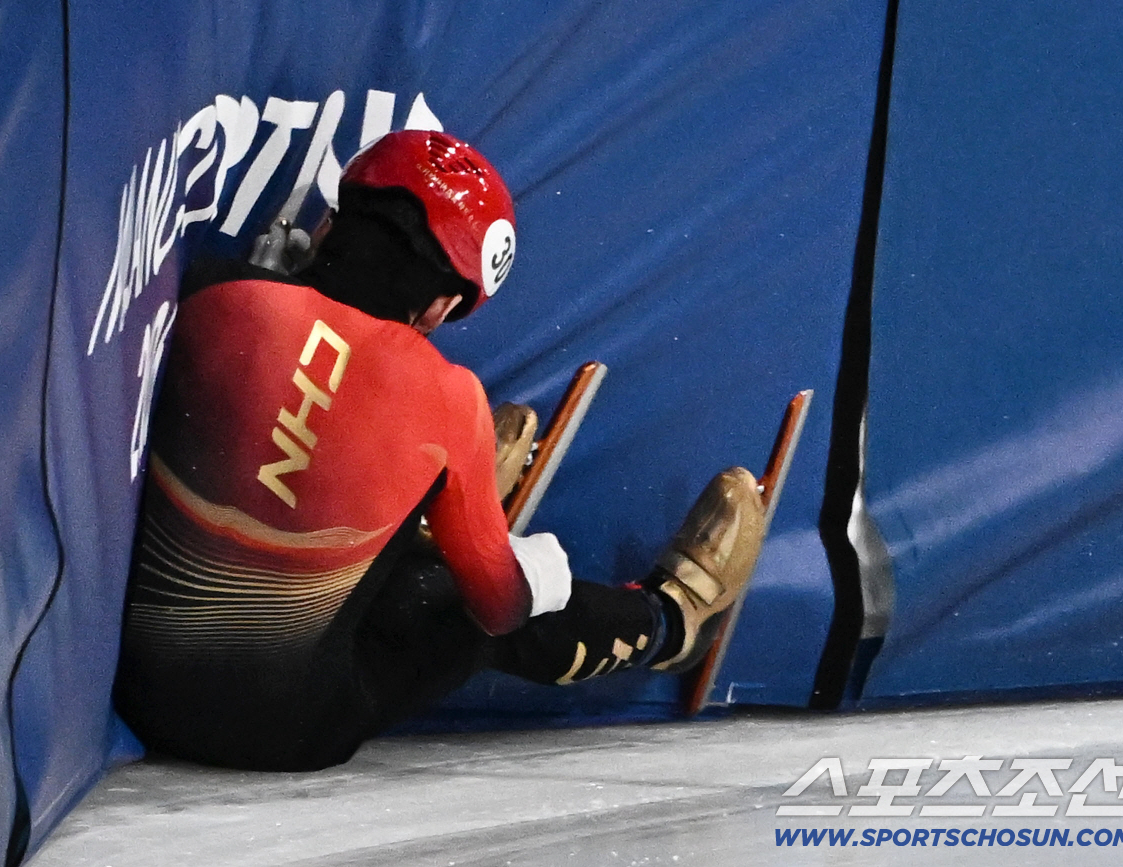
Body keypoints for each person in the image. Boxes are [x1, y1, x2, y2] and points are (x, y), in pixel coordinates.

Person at [113, 130, 769, 772]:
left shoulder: (211, 289)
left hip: (131, 690)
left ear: (329, 223)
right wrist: (538, 569)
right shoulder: (451, 400)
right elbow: (499, 609)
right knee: (452, 602)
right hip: (286, 732)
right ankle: (668, 622)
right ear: (440, 306)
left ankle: (421, 524)